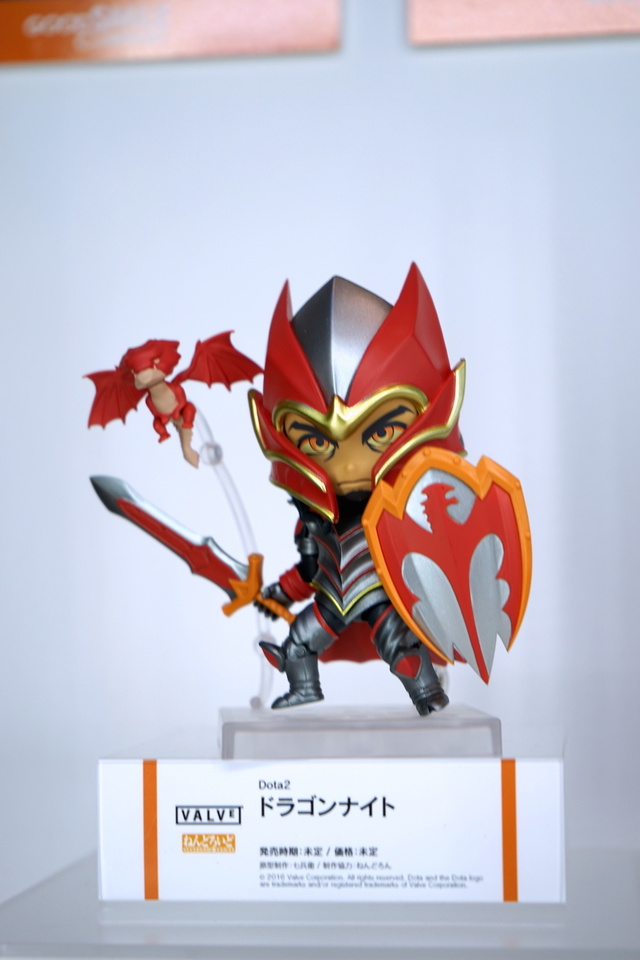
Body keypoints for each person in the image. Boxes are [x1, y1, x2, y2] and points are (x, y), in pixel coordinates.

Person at [249, 264, 467, 714]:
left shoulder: (402, 510)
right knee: (298, 645)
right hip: (334, 596)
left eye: (379, 432)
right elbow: (310, 567)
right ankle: (305, 687)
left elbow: (434, 555)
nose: (348, 465)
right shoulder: (312, 519)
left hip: (381, 591)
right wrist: (281, 592)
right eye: (317, 442)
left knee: (402, 648)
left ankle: (428, 694)